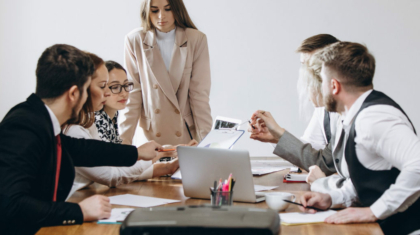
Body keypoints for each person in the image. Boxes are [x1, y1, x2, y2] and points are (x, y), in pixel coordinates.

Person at [0, 44, 162, 235]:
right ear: (74, 94)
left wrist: (137, 153)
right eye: (87, 90)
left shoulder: (41, 120)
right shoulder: (24, 126)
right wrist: (80, 211)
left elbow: (83, 149)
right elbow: (11, 204)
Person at [297, 42, 420, 235]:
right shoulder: (356, 116)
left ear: (334, 86)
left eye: (321, 81)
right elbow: (371, 178)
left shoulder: (374, 119)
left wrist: (373, 212)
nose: (320, 89)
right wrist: (331, 198)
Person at [65, 58, 180, 198]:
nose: (123, 93)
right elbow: (112, 174)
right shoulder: (82, 128)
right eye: (104, 86)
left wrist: (165, 163)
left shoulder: (97, 122)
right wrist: (156, 155)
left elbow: (116, 169)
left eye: (126, 85)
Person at [120, 0, 212, 146]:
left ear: (177, 9)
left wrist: (207, 142)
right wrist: (123, 143)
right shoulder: (134, 40)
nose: (161, 16)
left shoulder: (196, 39)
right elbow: (133, 95)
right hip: (150, 136)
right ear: (146, 12)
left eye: (168, 9)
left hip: (185, 134)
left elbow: (199, 94)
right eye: (154, 10)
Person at [249, 34, 340, 178]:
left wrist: (279, 133)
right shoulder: (323, 111)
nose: (305, 75)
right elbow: (309, 151)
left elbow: (321, 162)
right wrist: (274, 137)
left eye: (311, 67)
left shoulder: (347, 113)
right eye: (303, 65)